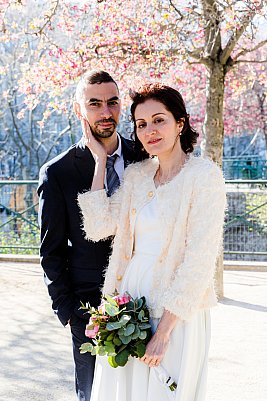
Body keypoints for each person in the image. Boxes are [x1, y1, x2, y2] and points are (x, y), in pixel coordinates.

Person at [78, 83, 226, 401]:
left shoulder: (204, 176)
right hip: (129, 302)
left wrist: (165, 331)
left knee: (166, 392)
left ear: (180, 123)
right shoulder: (138, 175)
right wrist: (100, 162)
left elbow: (199, 260)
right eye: (142, 124)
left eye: (159, 120)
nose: (150, 131)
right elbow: (97, 226)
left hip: (177, 310)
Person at [37, 70, 137, 401]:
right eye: (94, 104)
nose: (106, 113)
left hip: (144, 296)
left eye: (112, 102)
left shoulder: (147, 156)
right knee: (93, 394)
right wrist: (67, 311)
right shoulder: (57, 173)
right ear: (80, 109)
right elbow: (50, 251)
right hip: (88, 309)